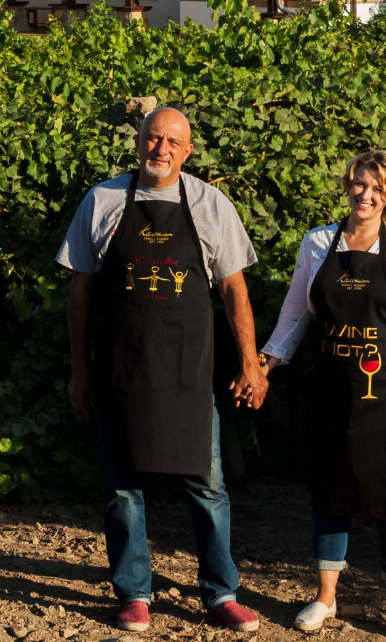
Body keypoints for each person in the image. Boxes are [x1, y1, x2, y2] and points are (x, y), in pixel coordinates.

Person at [58, 106, 267, 635]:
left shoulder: (209, 203)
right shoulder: (103, 200)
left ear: (188, 151)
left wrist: (250, 363)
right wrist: (79, 370)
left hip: (190, 374)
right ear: (139, 142)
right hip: (122, 369)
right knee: (123, 486)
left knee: (208, 484)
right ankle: (133, 593)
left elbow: (234, 289)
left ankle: (221, 593)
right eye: (154, 139)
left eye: (173, 142)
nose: (162, 150)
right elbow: (80, 291)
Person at [261, 150, 386, 640]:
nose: (366, 194)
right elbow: (296, 315)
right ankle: (325, 597)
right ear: (348, 185)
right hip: (333, 390)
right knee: (331, 496)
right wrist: (267, 362)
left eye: (377, 188)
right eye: (360, 184)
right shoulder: (318, 243)